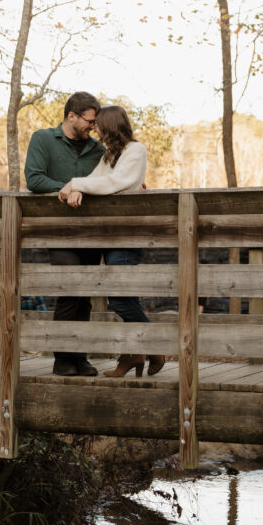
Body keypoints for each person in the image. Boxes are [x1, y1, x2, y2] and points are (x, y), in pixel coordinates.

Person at [58, 104, 165, 378]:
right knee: (122, 295)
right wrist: (77, 188)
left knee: (119, 297)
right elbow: (95, 180)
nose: (95, 129)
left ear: (111, 125)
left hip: (128, 234)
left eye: (99, 125)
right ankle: (133, 354)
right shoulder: (110, 155)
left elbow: (114, 183)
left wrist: (75, 183)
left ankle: (151, 347)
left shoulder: (135, 151)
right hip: (111, 235)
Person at [24, 91, 104, 376]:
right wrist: (71, 186)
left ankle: (79, 357)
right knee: (71, 288)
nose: (93, 127)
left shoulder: (98, 150)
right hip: (57, 231)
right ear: (72, 116)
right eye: (89, 121)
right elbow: (34, 179)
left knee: (85, 296)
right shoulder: (43, 139)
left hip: (92, 233)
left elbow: (112, 179)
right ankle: (62, 358)